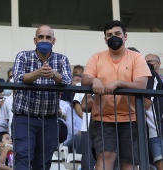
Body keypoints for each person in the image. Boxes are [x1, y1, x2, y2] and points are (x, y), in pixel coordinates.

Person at [81, 20, 151, 170]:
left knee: (129, 162)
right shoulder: (97, 57)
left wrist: (118, 83)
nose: (114, 37)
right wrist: (95, 80)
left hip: (132, 117)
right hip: (102, 117)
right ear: (105, 39)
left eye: (118, 34)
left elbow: (141, 84)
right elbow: (85, 79)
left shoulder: (137, 57)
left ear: (125, 36)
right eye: (110, 35)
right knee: (105, 157)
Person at [12, 25, 72, 169]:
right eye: (41, 37)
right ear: (35, 40)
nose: (44, 40)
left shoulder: (62, 59)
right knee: (22, 157)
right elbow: (17, 77)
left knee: (43, 163)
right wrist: (38, 73)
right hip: (24, 118)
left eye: (48, 37)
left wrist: (54, 74)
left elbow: (68, 81)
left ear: (54, 40)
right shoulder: (23, 56)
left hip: (49, 120)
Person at [145, 63, 163, 170]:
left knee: (159, 160)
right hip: (142, 129)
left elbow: (147, 103)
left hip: (154, 128)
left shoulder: (151, 75)